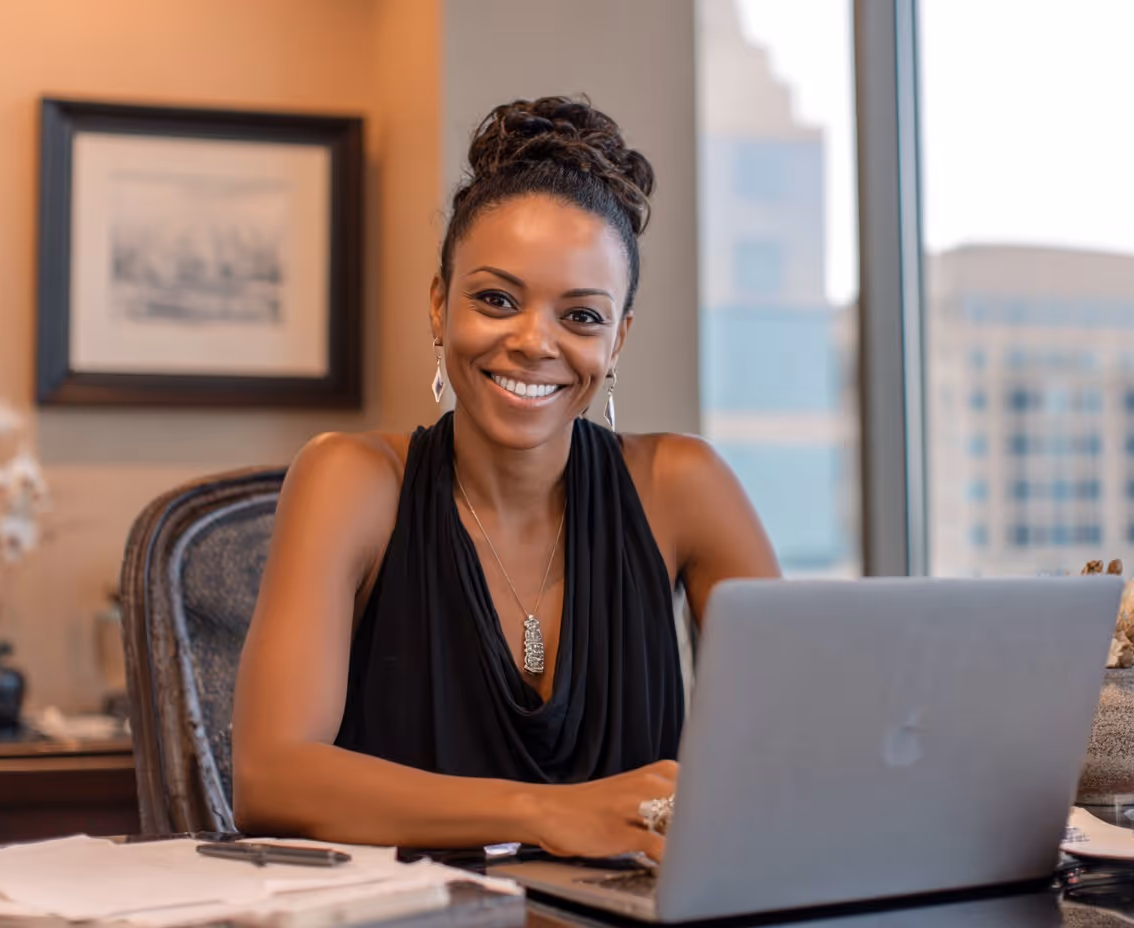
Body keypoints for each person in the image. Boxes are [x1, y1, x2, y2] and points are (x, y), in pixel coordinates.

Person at [232, 96, 780, 863]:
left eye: (581, 317)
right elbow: (270, 778)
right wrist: (546, 812)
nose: (533, 343)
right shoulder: (349, 481)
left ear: (617, 337)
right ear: (438, 304)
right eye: (496, 300)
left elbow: (790, 760)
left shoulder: (684, 487)